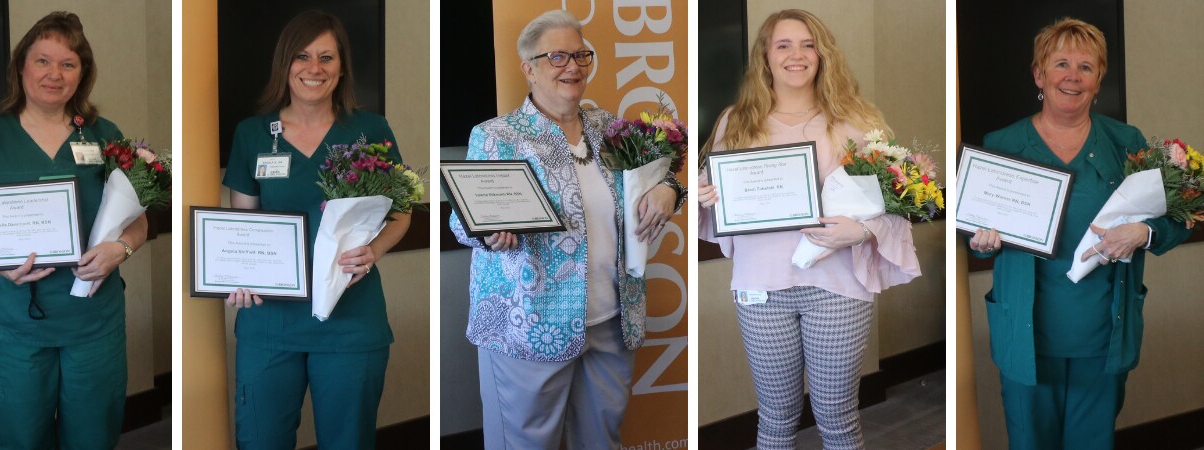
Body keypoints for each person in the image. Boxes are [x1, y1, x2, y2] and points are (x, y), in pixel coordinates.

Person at [448, 9, 685, 449]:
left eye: (580, 55)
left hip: (612, 318)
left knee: (602, 439)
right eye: (557, 56)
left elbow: (658, 176)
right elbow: (462, 219)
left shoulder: (609, 128)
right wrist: (489, 233)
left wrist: (671, 190)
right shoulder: (498, 136)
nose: (572, 66)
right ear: (528, 69)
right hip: (528, 322)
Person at [698, 9, 920, 450]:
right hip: (761, 288)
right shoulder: (735, 122)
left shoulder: (856, 121)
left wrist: (861, 232)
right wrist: (707, 195)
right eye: (783, 45)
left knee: (837, 419)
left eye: (808, 44)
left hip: (836, 287)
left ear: (823, 54)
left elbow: (899, 204)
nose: (796, 55)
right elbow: (718, 214)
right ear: (765, 55)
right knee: (775, 420)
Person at [967, 18, 1188, 449]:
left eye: (1086, 67)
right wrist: (980, 242)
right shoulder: (1003, 143)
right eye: (1061, 64)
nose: (1073, 76)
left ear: (1099, 78)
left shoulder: (1127, 143)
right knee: (1031, 440)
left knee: (1092, 442)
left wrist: (1143, 232)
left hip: (1102, 329)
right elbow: (974, 235)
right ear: (1038, 75)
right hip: (1026, 331)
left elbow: (1178, 218)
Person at [0, 11, 148, 449]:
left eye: (68, 64)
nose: (54, 74)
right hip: (14, 326)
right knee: (20, 438)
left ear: (82, 74)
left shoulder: (104, 136)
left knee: (93, 436)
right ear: (21, 67)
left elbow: (138, 221)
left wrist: (120, 251)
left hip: (92, 323)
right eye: (42, 61)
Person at [221, 10, 410, 449]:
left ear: (342, 66)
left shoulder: (370, 130)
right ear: (285, 64)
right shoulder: (252, 135)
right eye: (302, 57)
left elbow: (400, 212)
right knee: (260, 439)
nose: (314, 68)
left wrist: (376, 250)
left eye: (327, 57)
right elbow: (243, 226)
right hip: (269, 321)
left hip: (350, 320)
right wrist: (238, 276)